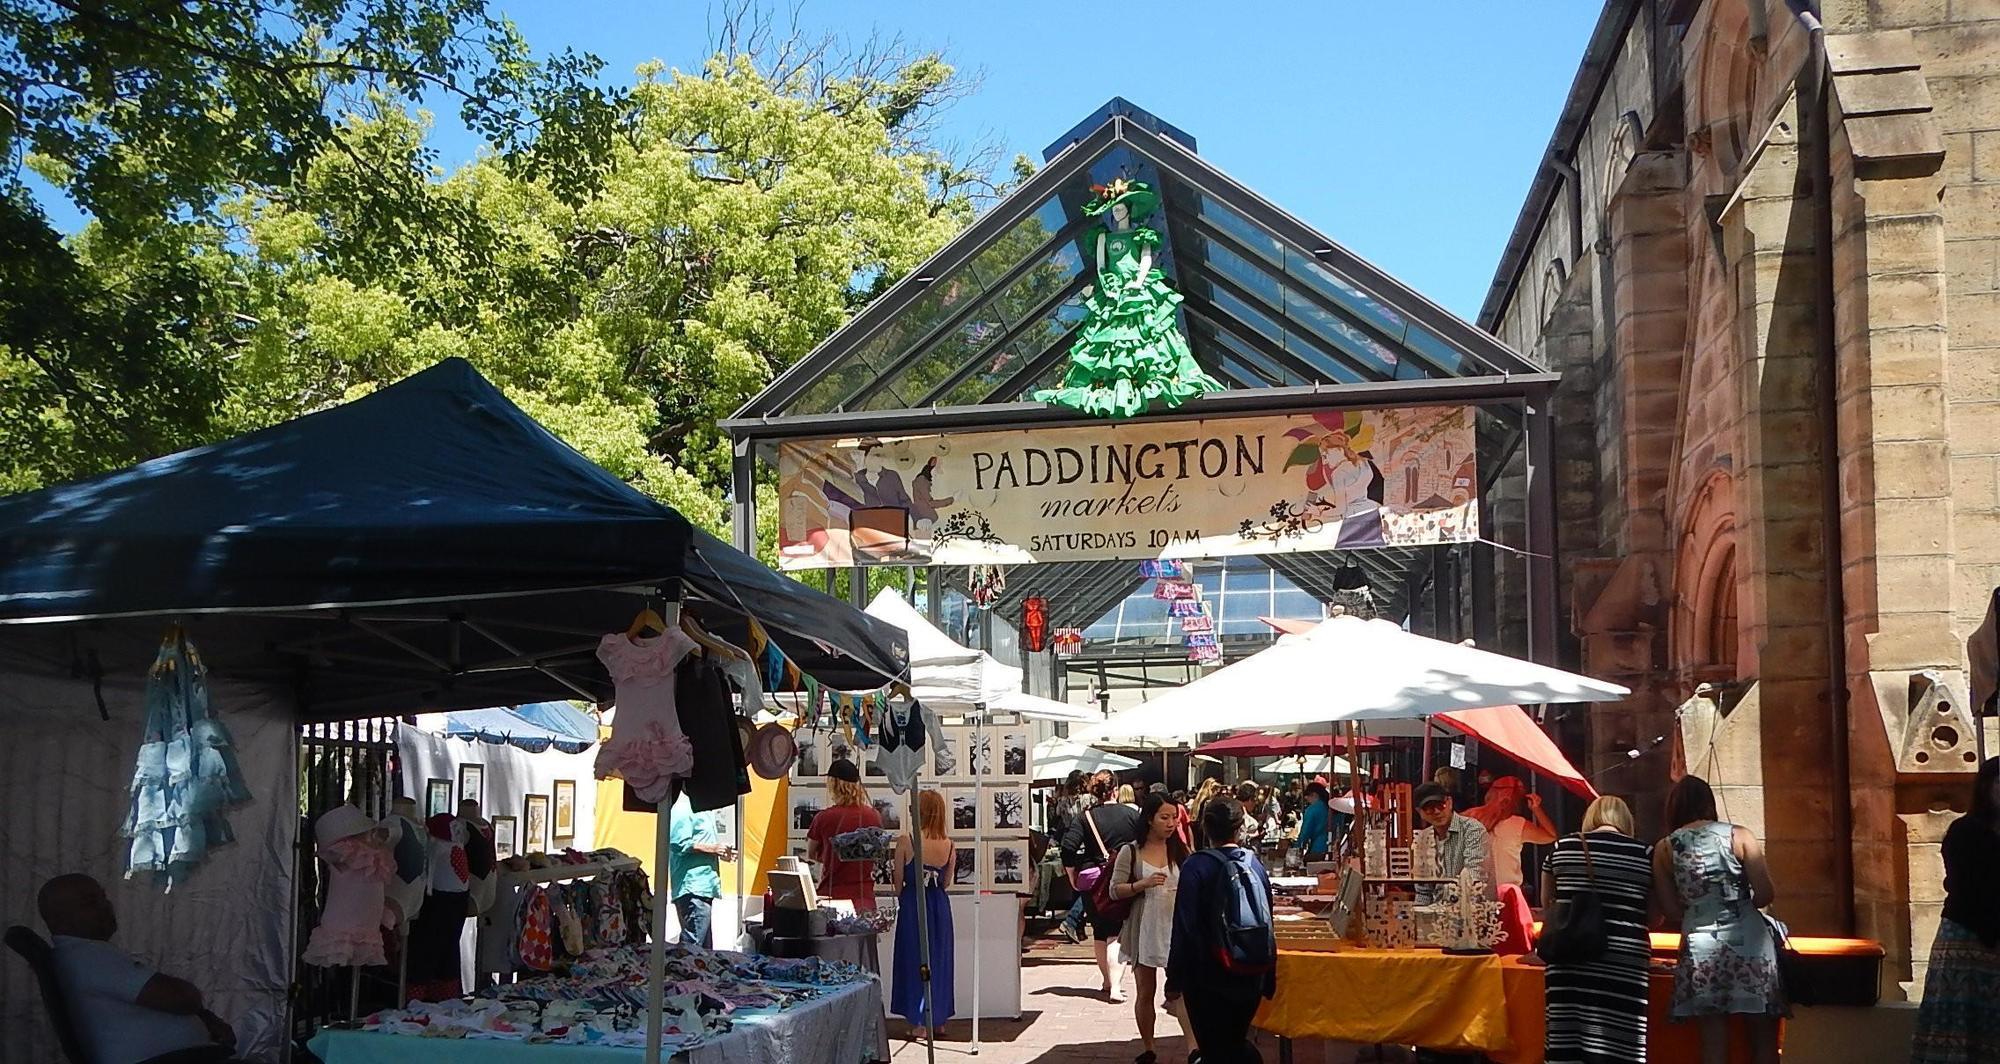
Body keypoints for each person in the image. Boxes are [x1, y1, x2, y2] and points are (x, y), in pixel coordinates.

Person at [37, 874, 237, 1064]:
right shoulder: (88, 957)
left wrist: (204, 1018)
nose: (105, 906)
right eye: (89, 903)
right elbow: (180, 999)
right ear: (57, 919)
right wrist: (193, 1002)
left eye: (103, 898)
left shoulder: (80, 955)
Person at [1653, 775, 1783, 1064]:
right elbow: (1764, 893)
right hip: (1750, 940)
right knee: (1763, 1039)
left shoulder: (1665, 848)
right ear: (1708, 803)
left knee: (1713, 1039)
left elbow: (1671, 910)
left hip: (1701, 947)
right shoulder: (1740, 836)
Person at [1539, 795, 1653, 1063]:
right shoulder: (1644, 853)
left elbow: (1548, 904)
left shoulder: (1561, 847)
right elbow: (1654, 915)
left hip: (1569, 955)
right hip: (1624, 959)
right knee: (1620, 1041)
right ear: (1626, 820)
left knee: (1567, 1039)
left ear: (1590, 818)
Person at [1168, 798, 1275, 1064]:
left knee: (1214, 1047)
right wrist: (1269, 975)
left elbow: (1184, 928)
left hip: (1207, 975)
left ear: (1205, 826)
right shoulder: (1254, 864)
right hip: (1251, 971)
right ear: (1240, 828)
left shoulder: (1196, 866)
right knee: (1235, 1041)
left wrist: (1174, 978)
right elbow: (1268, 922)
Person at [1912, 756, 2000, 1062]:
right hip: (1966, 937)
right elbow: (1966, 883)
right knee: (1955, 1026)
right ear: (1987, 788)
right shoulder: (1965, 831)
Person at [1109, 794, 1193, 1064]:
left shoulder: (1181, 850)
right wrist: (1140, 885)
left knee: (1181, 990)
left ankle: (1193, 1048)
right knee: (1145, 991)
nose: (1170, 823)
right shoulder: (1131, 850)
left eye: (1174, 817)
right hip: (1144, 927)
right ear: (1149, 819)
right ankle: (1149, 1047)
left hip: (1175, 928)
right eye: (1164, 817)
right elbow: (1114, 890)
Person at [1063, 772, 1144, 1001]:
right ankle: (1117, 987)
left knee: (1100, 931)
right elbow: (1146, 843)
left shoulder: (1085, 817)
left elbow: (1068, 847)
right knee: (1116, 933)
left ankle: (1107, 981)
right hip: (1123, 878)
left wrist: (1072, 874)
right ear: (1115, 790)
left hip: (1092, 880)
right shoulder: (1133, 814)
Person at [892, 790, 956, 1040]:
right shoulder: (949, 844)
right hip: (939, 906)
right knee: (939, 961)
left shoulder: (906, 841)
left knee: (915, 960)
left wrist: (904, 897)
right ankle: (938, 1019)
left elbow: (898, 881)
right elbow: (947, 882)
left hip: (913, 904)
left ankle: (919, 1021)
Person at [806, 758, 883, 911]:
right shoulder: (874, 816)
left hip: (832, 898)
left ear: (834, 784)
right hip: (864, 899)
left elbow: (811, 853)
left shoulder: (824, 818)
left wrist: (831, 856)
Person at [667, 790, 736, 949]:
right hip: (692, 888)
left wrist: (721, 853)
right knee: (692, 949)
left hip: (704, 887)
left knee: (704, 952)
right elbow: (678, 842)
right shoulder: (683, 806)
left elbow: (702, 842)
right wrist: (713, 849)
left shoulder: (703, 808)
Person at [1468, 775, 1558, 891]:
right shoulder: (1518, 825)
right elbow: (1550, 835)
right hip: (1508, 893)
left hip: (1474, 890)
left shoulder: (1470, 816)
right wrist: (1536, 808)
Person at [1413, 782, 1493, 902]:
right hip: (1437, 915)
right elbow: (1423, 891)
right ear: (1420, 812)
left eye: (1441, 805)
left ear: (1449, 802)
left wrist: (1445, 909)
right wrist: (1420, 917)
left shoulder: (1472, 829)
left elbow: (1474, 877)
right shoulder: (1422, 839)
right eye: (1429, 808)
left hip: (1474, 911)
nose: (1436, 811)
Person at [1056, 773, 1100, 943]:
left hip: (1069, 842)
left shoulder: (1062, 801)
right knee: (1088, 888)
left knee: (1077, 886)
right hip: (1084, 842)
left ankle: (1078, 929)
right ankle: (1071, 920)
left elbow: (1058, 819)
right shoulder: (1089, 799)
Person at [1294, 781, 1332, 861]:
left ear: (1315, 795)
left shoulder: (1312, 810)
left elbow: (1305, 833)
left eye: (1308, 796)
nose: (1307, 799)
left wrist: (1296, 848)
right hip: (1333, 849)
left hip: (1317, 850)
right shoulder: (1332, 808)